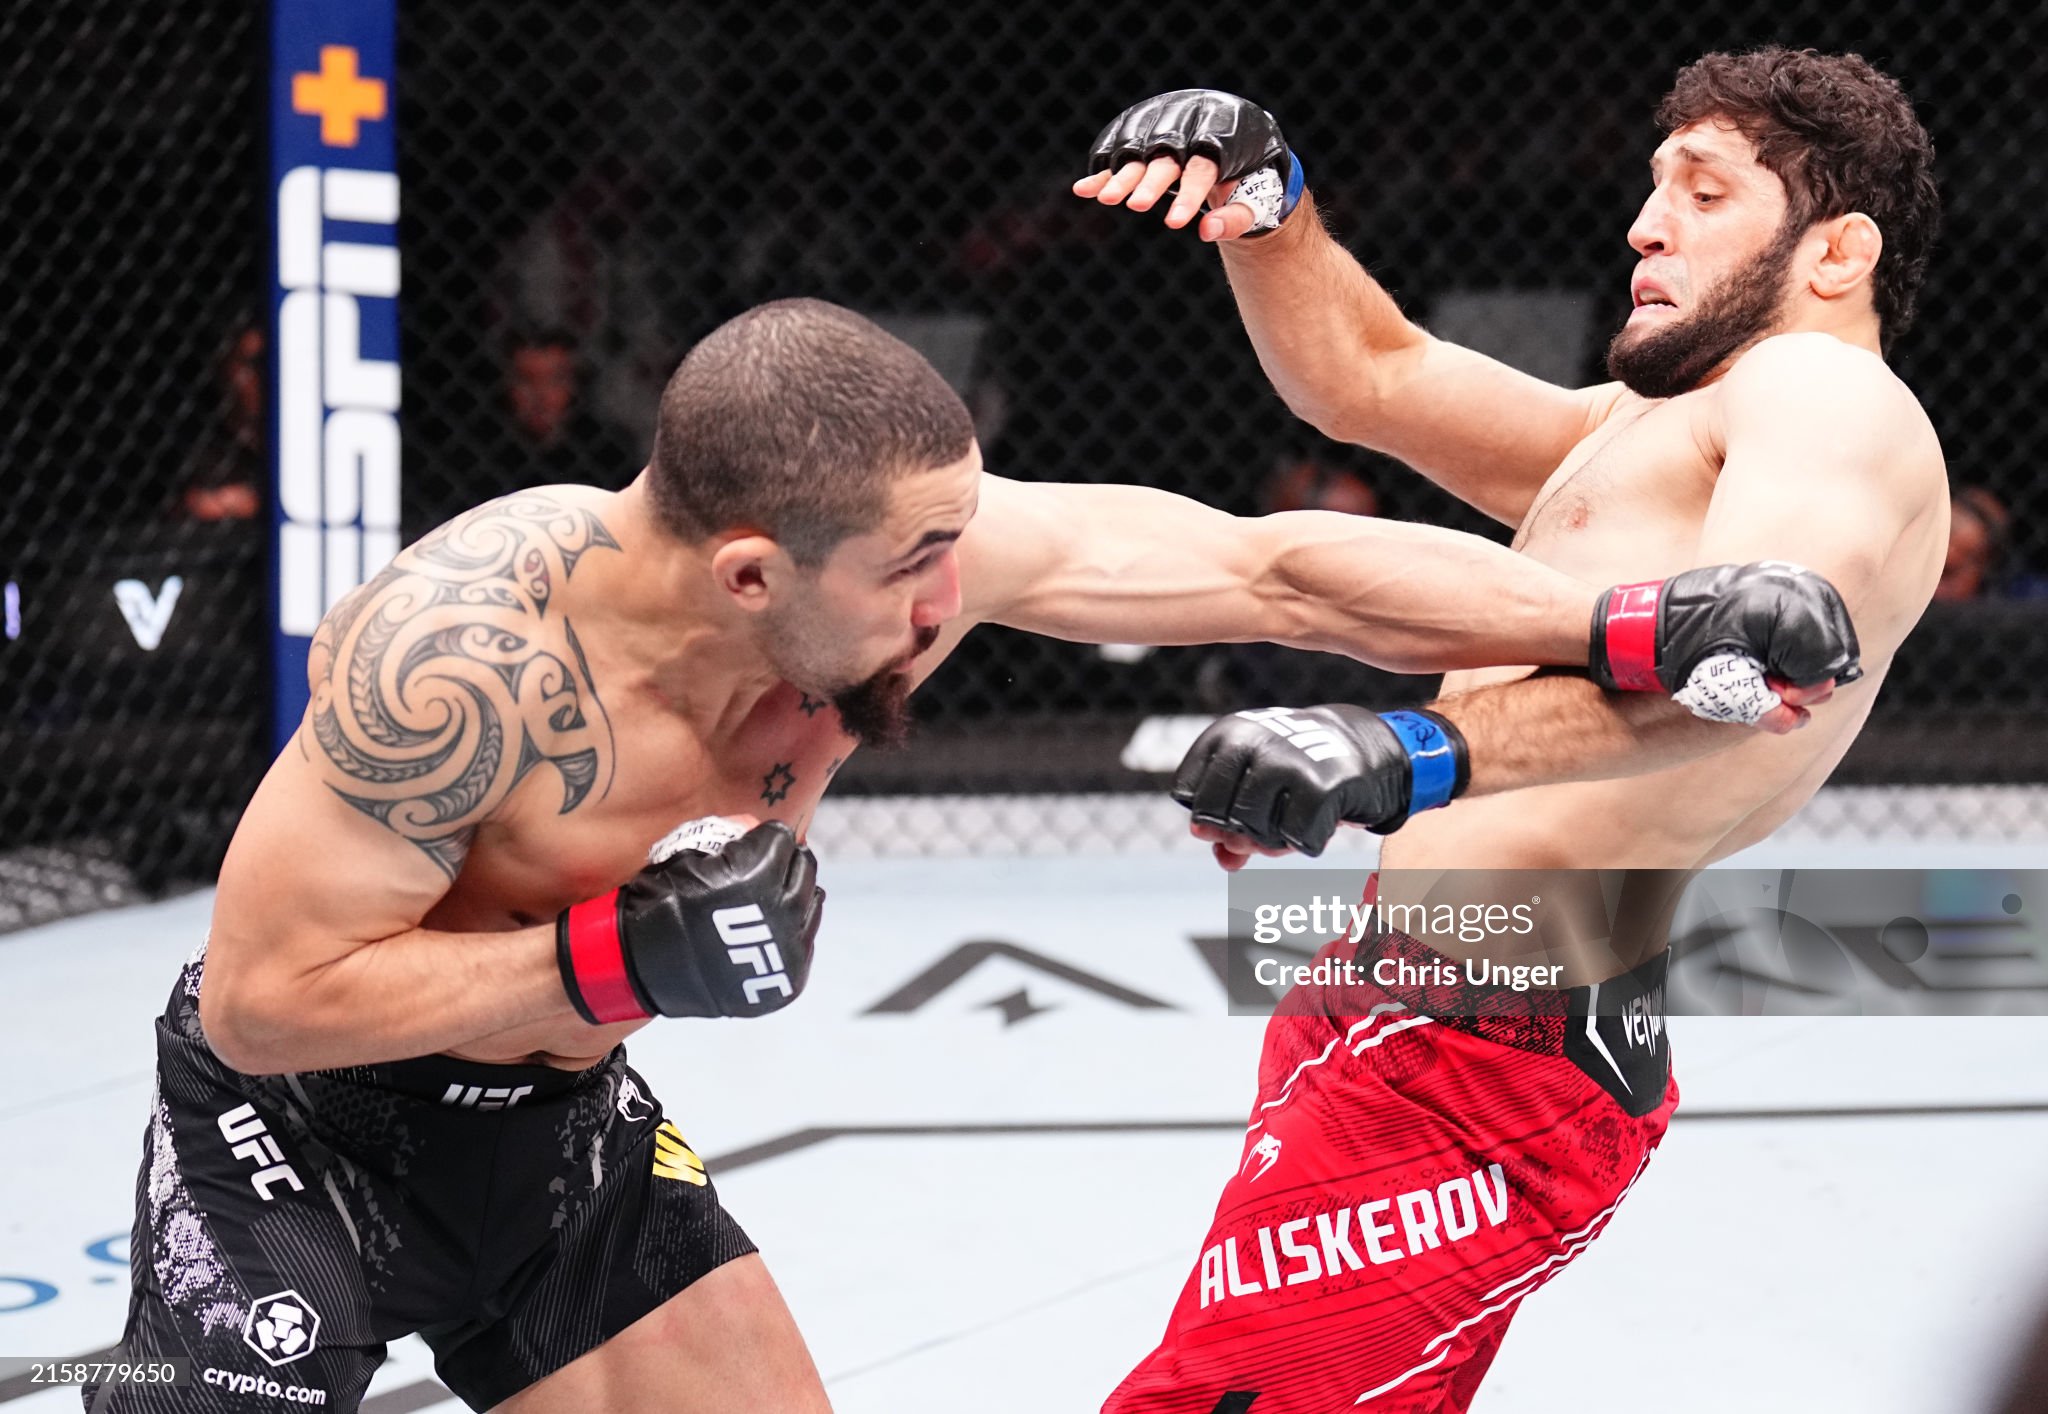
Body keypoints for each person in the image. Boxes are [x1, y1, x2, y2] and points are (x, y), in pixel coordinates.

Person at [94, 297, 1854, 1413]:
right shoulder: (463, 663)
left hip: (560, 1137)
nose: (959, 595)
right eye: (916, 564)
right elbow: (262, 1000)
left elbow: (1275, 571)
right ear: (751, 572)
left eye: (960, 537)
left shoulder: (891, 559)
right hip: (302, 1144)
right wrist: (606, 955)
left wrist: (1620, 623)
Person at [1076, 46, 1946, 1412]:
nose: (1645, 224)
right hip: (1418, 992)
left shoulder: (1827, 398)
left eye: (1705, 192)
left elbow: (1751, 661)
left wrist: (1408, 753)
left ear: (1837, 252)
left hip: (1492, 1044)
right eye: (1655, 184)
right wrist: (1272, 212)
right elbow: (1372, 374)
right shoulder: (1655, 421)